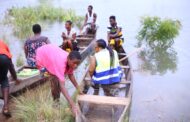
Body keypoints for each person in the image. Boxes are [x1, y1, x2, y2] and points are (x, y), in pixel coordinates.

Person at [36, 44, 82, 116]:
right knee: (54, 80)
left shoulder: (71, 61)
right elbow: (62, 86)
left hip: (52, 52)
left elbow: (71, 75)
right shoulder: (60, 64)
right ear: (68, 59)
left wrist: (78, 89)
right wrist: (72, 105)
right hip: (42, 54)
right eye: (74, 63)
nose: (75, 65)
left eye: (77, 64)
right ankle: (56, 103)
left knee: (58, 78)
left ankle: (56, 103)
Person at [0, 40, 20, 117]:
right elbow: (11, 67)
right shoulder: (2, 43)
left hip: (3, 58)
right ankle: (5, 108)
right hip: (4, 59)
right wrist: (15, 78)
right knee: (4, 80)